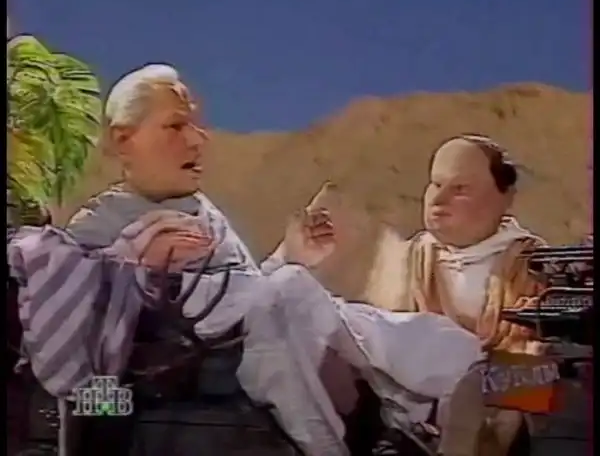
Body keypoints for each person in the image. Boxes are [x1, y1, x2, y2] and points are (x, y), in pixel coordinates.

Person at [8, 64, 485, 456]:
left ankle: (433, 404)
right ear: (122, 140)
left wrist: (291, 254)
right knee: (294, 294)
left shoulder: (202, 211)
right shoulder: (100, 225)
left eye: (197, 126)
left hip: (267, 334)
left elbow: (246, 290)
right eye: (175, 126)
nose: (197, 140)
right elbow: (82, 335)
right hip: (202, 369)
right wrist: (134, 264)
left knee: (364, 317)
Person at [363, 134, 549, 455]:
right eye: (436, 184)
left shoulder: (533, 264)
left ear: (505, 197)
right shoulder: (412, 257)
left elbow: (535, 358)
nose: (438, 199)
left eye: (460, 189)